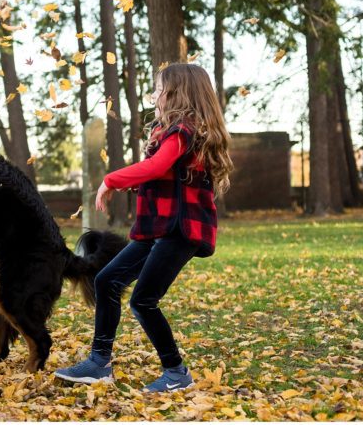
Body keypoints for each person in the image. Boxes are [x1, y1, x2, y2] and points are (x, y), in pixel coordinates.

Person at [55, 63, 233, 393]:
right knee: (106, 279)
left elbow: (156, 167)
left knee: (143, 300)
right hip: (157, 228)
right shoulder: (168, 133)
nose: (155, 96)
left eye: (159, 90)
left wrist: (110, 181)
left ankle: (177, 372)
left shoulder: (184, 131)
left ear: (177, 94)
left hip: (180, 231)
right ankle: (98, 363)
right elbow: (161, 174)